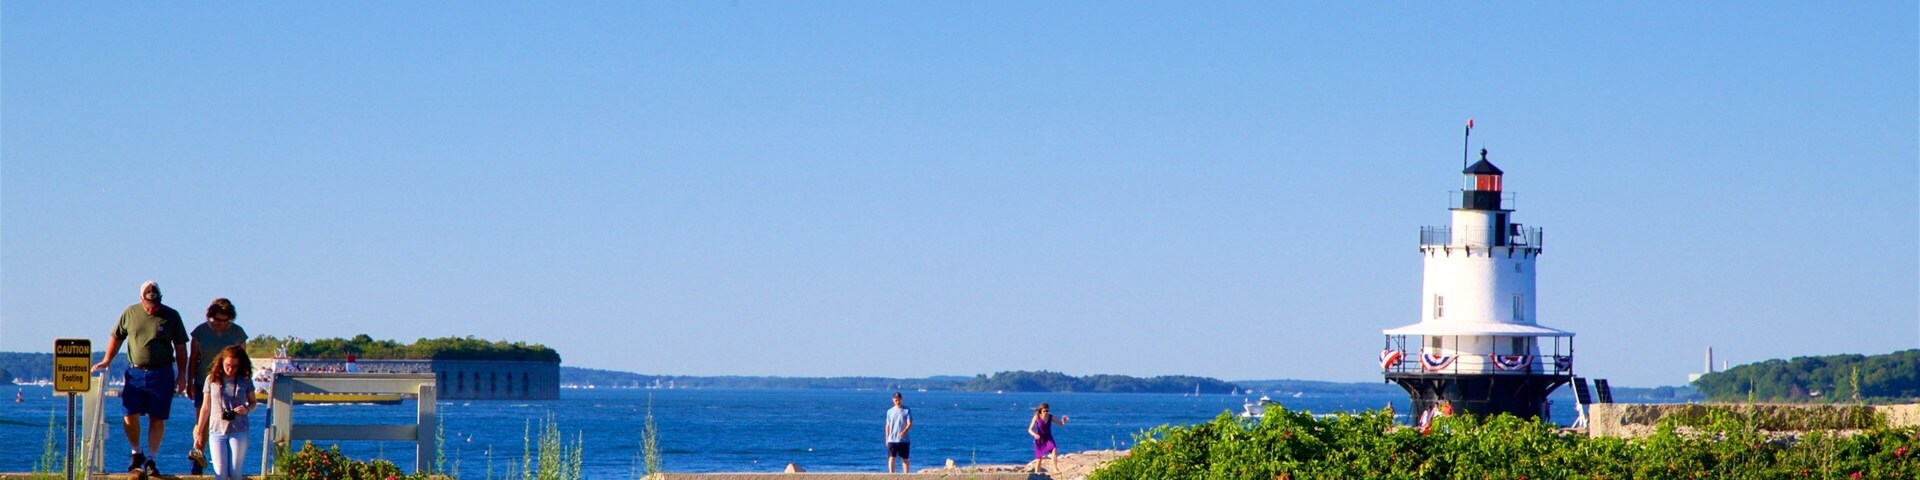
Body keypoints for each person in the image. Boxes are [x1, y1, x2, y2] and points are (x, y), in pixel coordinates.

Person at [91, 281, 189, 477]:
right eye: (148, 303)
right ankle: (137, 452)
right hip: (135, 372)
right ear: (141, 299)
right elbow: (117, 336)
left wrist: (182, 376)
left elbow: (180, 347)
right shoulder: (130, 312)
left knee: (157, 417)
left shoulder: (171, 316)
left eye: (156, 303)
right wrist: (106, 360)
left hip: (161, 372)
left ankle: (152, 458)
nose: (152, 308)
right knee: (129, 414)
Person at [187, 298, 247, 474]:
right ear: (210, 317)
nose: (221, 324)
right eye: (217, 320)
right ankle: (198, 453)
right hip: (203, 380)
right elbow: (193, 358)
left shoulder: (238, 333)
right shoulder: (200, 332)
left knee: (227, 421)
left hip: (229, 383)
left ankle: (227, 461)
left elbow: (243, 360)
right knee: (202, 419)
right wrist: (189, 381)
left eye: (225, 320)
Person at [192, 346, 257, 480]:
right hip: (216, 430)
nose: (230, 369)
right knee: (220, 473)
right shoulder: (211, 379)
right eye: (227, 365)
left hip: (239, 429)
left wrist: (247, 409)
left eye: (234, 366)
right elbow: (205, 407)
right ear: (221, 363)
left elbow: (253, 402)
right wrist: (198, 432)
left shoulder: (245, 380)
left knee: (235, 472)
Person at [1026, 403, 1068, 474]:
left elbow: (1060, 424)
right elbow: (1030, 429)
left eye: (1047, 411)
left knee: (1054, 449)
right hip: (1040, 439)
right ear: (1041, 411)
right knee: (1039, 459)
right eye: (1044, 411)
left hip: (1048, 438)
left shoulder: (1050, 417)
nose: (1046, 412)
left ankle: (1055, 469)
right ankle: (1037, 474)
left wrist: (1064, 421)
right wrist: (1034, 434)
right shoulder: (1037, 417)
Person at [884, 392, 913, 473]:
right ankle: (892, 476)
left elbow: (910, 423)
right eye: (896, 400)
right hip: (892, 439)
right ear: (893, 400)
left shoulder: (906, 410)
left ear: (902, 399)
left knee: (905, 459)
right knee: (891, 458)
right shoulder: (889, 411)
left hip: (904, 440)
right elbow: (888, 425)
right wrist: (887, 438)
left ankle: (906, 476)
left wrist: (904, 432)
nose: (898, 401)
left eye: (899, 400)